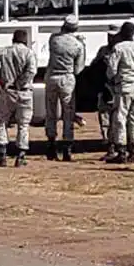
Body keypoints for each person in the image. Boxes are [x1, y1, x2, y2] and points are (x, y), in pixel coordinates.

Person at [0, 30, 37, 167]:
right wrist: (21, 82)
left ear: (13, 39)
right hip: (25, 92)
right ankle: (20, 156)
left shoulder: (5, 51)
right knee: (23, 124)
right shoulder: (29, 53)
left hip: (8, 91)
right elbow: (32, 70)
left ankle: (1, 155)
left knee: (2, 121)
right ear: (25, 41)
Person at [44, 14, 87, 162]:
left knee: (51, 112)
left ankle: (50, 145)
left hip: (52, 76)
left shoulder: (53, 39)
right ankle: (67, 148)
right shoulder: (77, 45)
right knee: (68, 113)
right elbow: (79, 69)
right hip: (67, 78)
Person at [105, 21, 134, 164]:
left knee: (120, 118)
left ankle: (121, 151)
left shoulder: (119, 48)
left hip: (124, 86)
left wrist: (112, 78)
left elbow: (112, 70)